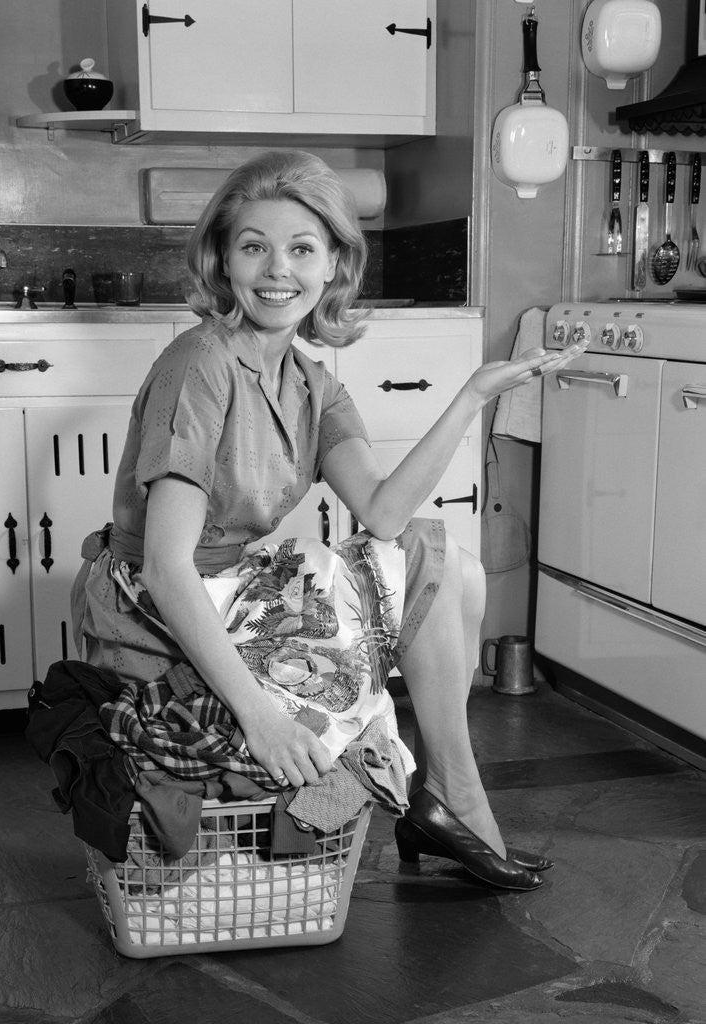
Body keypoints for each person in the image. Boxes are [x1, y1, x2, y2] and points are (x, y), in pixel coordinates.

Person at [72, 149, 584, 892]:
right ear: (222, 260)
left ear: (335, 265)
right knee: (440, 571)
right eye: (254, 247)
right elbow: (165, 565)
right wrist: (261, 719)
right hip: (150, 606)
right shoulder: (200, 364)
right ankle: (446, 801)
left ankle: (449, 792)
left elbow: (383, 511)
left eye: (302, 249)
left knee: (449, 566)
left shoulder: (311, 382)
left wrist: (474, 395)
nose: (277, 270)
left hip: (234, 589)